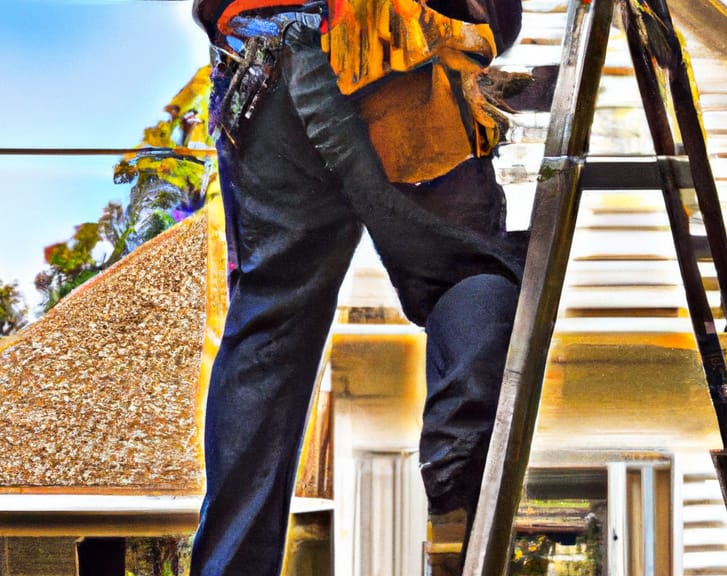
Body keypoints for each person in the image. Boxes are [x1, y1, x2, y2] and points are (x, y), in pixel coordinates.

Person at [189, 0, 523, 573]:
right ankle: (457, 478)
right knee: (463, 273)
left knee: (270, 326)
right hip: (401, 48)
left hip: (265, 57)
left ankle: (232, 565)